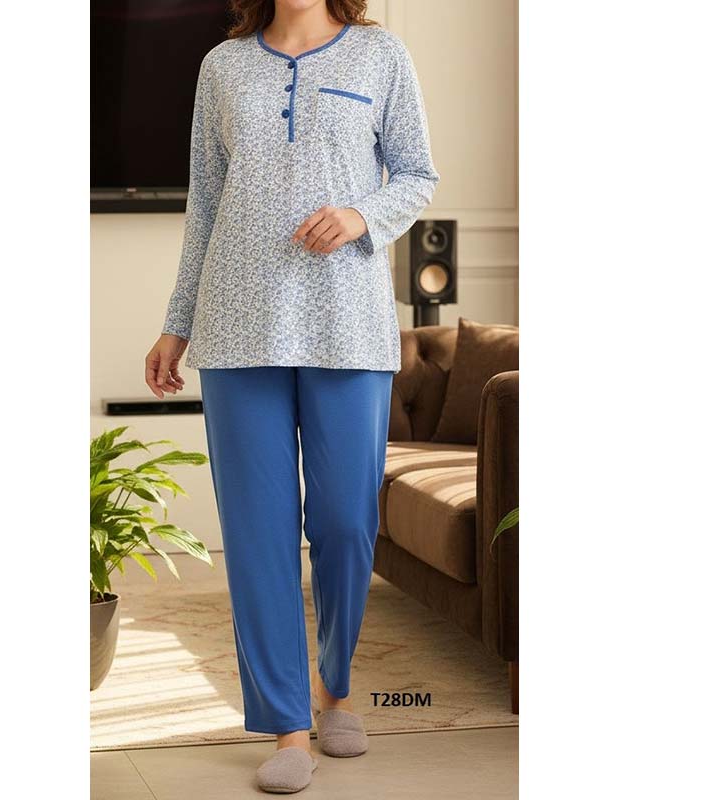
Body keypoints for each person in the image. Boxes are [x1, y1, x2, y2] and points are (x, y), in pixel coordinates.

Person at [145, 0, 439, 792]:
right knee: (257, 534)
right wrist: (177, 323)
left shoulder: (381, 56)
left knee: (345, 521)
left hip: (349, 325)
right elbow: (204, 204)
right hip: (236, 325)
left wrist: (360, 214)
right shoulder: (222, 67)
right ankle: (287, 726)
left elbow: (417, 174)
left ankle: (334, 685)